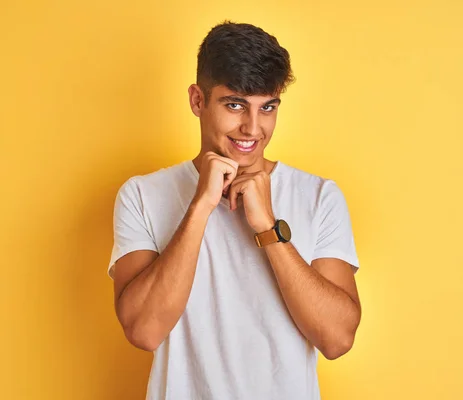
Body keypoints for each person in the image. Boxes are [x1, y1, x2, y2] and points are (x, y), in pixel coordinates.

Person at [107, 21, 361, 400]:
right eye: (235, 104)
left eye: (268, 107)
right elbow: (143, 331)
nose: (252, 128)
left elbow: (337, 339)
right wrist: (201, 204)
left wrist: (268, 228)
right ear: (197, 101)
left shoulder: (319, 196)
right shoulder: (142, 195)